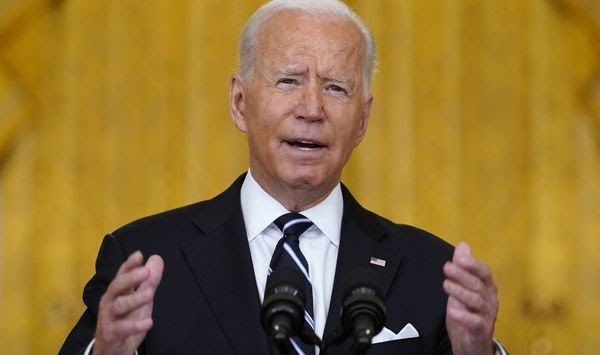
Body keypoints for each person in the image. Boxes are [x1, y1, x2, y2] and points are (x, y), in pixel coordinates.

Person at [60, 0, 507, 354]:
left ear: (363, 120)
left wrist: (477, 353)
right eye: (289, 81)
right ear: (239, 102)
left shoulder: (431, 271)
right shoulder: (144, 262)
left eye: (336, 88)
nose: (312, 109)